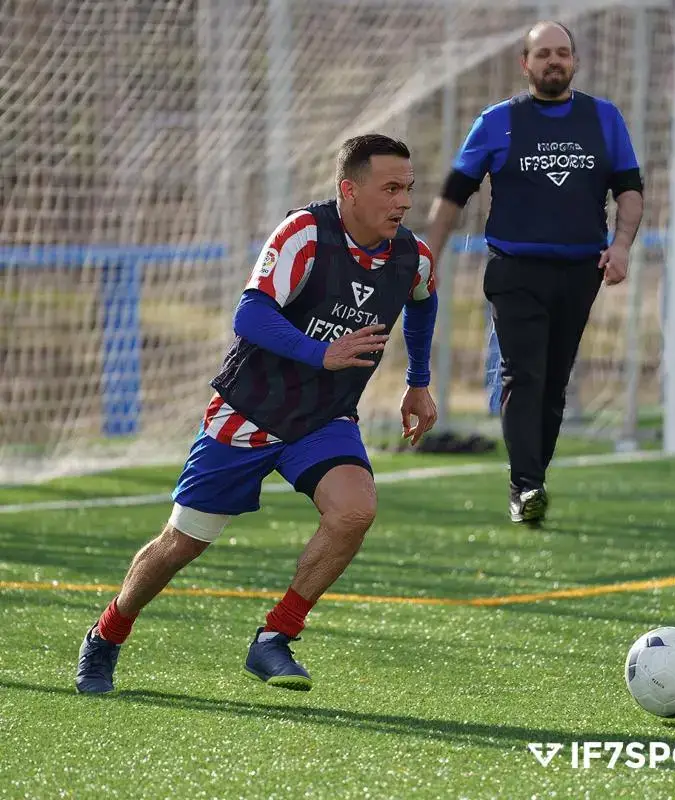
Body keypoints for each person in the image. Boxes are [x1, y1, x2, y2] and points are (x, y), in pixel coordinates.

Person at [76, 134, 438, 693]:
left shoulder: (411, 255)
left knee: (354, 511)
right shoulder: (306, 235)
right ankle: (108, 632)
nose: (403, 201)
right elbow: (250, 316)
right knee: (183, 543)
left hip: (323, 419)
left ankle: (275, 637)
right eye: (391, 188)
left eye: (408, 189)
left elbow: (423, 298)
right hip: (248, 412)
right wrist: (323, 353)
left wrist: (418, 383)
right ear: (350, 190)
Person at [426, 21, 643, 526]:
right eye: (543, 53)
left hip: (580, 271)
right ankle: (526, 487)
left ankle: (530, 483)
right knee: (523, 375)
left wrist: (622, 246)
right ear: (525, 64)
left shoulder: (604, 118)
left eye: (562, 53)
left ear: (575, 61)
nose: (554, 61)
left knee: (553, 384)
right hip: (515, 269)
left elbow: (629, 188)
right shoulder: (497, 122)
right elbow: (454, 194)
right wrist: (426, 257)